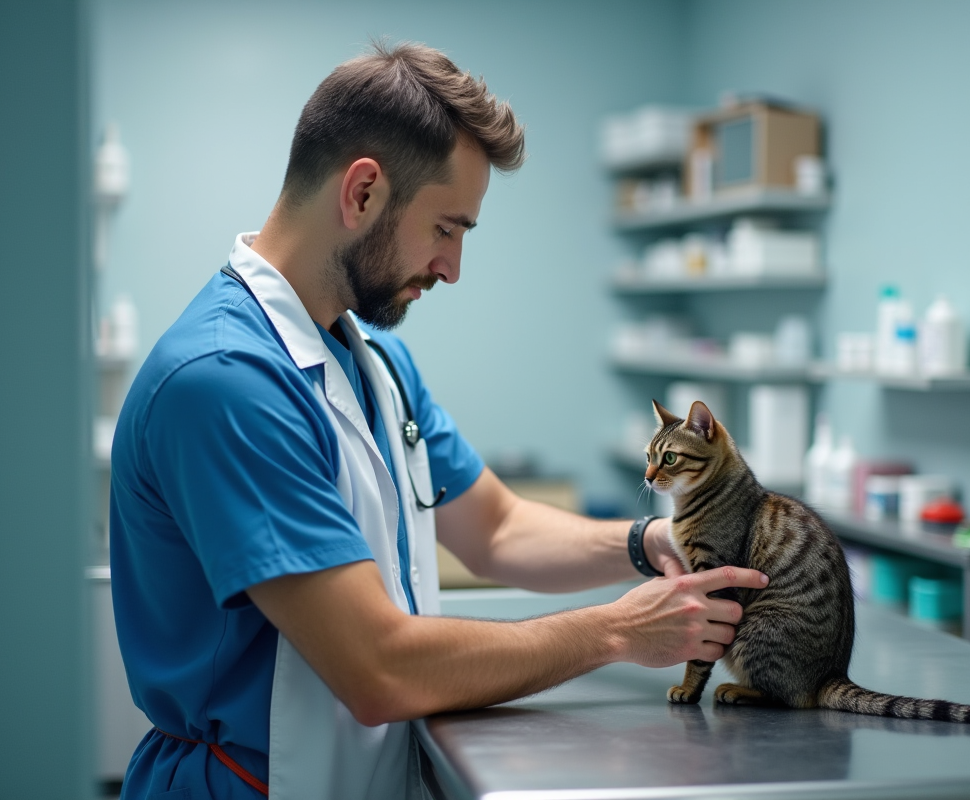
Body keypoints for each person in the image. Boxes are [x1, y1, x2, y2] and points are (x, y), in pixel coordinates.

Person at [109, 42, 768, 800]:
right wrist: (615, 632)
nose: (452, 268)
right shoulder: (225, 382)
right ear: (362, 193)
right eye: (447, 229)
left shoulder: (377, 364)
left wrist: (651, 542)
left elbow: (495, 530)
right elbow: (379, 668)